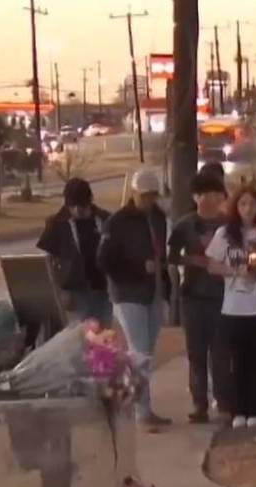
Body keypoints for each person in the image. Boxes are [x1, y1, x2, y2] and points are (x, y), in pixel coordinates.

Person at [99, 168, 172, 427]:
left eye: (153, 195)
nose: (149, 200)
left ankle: (135, 404)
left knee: (145, 353)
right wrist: (138, 268)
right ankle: (141, 412)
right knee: (139, 351)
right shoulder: (116, 222)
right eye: (145, 196)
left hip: (153, 292)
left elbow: (162, 254)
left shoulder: (158, 218)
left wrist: (164, 288)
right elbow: (105, 260)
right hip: (128, 293)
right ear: (134, 193)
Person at [205, 187, 256, 429]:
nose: (248, 209)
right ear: (236, 207)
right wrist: (236, 270)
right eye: (243, 204)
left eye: (253, 205)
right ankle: (239, 409)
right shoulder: (225, 233)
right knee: (237, 360)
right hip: (234, 306)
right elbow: (212, 265)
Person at [169, 173, 232, 424]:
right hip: (193, 295)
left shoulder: (228, 224)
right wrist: (192, 260)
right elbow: (171, 256)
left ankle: (224, 401)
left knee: (221, 352)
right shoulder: (185, 225)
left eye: (216, 193)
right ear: (195, 196)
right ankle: (199, 403)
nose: (210, 198)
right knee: (196, 353)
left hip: (222, 296)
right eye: (204, 193)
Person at [38, 178, 112, 325]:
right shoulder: (57, 224)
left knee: (104, 337)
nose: (78, 210)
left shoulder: (104, 219)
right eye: (73, 206)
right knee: (81, 336)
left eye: (82, 206)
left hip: (102, 289)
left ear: (89, 201)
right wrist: (59, 292)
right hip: (75, 292)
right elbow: (48, 262)